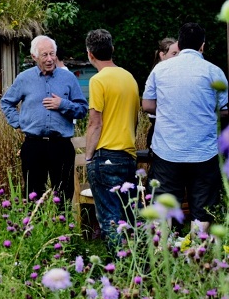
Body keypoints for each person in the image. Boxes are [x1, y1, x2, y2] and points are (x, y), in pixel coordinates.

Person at [142, 23, 228, 234]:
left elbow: (147, 105)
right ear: (203, 46)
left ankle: (164, 253)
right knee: (203, 208)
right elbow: (224, 109)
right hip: (204, 153)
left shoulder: (160, 69)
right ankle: (195, 256)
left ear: (178, 44)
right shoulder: (213, 71)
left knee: (164, 207)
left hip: (167, 151)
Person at [0, 35, 88, 202]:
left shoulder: (68, 78)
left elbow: (82, 110)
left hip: (61, 145)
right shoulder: (24, 78)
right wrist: (19, 122)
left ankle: (64, 227)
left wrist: (63, 104)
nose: (50, 59)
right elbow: (6, 103)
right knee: (32, 196)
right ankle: (33, 227)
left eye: (52, 54)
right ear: (34, 57)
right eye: (44, 55)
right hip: (34, 145)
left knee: (64, 197)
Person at [84, 29, 140, 251]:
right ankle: (137, 267)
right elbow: (134, 119)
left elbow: (95, 123)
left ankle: (118, 269)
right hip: (129, 156)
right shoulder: (130, 78)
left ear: (90, 55)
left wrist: (89, 157)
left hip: (106, 157)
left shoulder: (98, 80)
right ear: (112, 50)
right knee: (130, 216)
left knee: (110, 218)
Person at [145, 38, 179, 152]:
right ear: (162, 55)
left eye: (179, 53)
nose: (177, 57)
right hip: (158, 124)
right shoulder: (158, 72)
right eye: (174, 53)